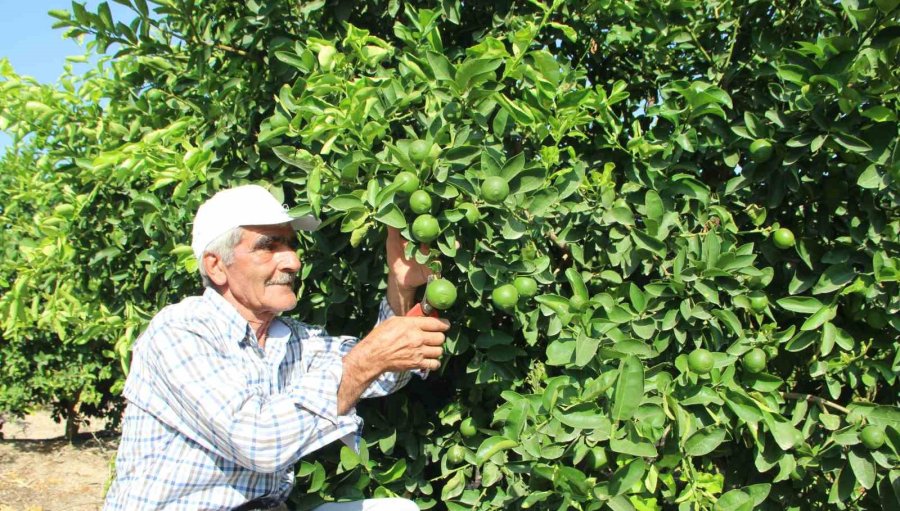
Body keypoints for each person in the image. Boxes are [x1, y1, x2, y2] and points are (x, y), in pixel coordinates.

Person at [103, 184, 449, 511]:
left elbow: (383, 375)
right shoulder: (180, 332)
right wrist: (364, 360)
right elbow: (259, 441)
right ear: (216, 266)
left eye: (291, 245)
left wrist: (400, 287)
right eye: (268, 246)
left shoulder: (293, 339)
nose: (293, 262)